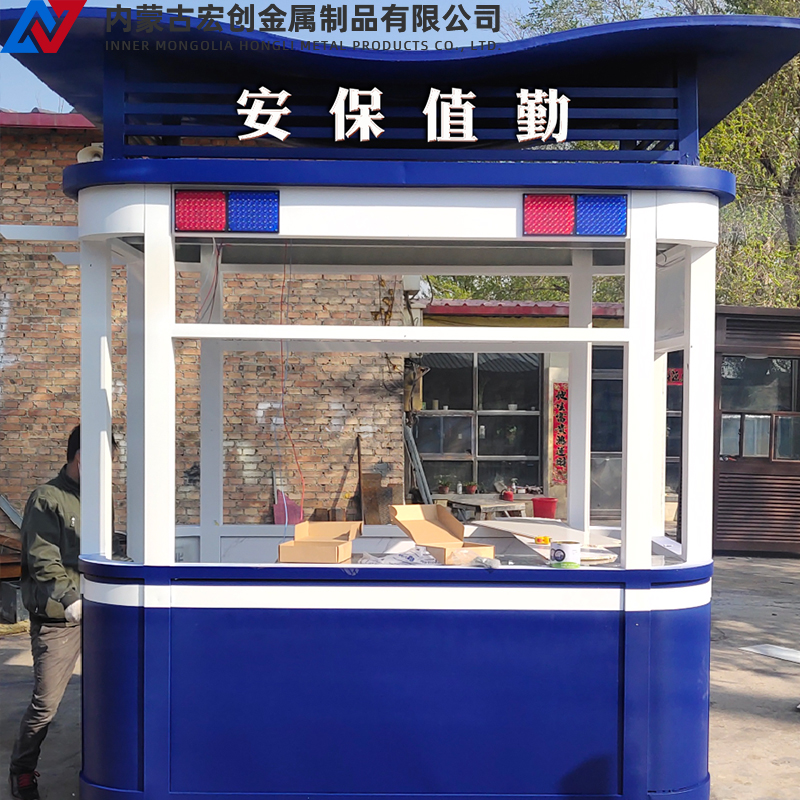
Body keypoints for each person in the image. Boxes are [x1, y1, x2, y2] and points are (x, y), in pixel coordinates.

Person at [9, 425, 83, 800]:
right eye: (108, 462)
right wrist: (69, 599)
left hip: (96, 612)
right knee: (46, 705)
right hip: (59, 618)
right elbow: (42, 557)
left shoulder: (96, 500)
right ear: (80, 458)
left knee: (107, 694)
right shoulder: (47, 498)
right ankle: (22, 772)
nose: (113, 471)